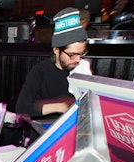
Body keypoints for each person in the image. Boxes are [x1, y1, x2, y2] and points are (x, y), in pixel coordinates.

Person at [15, 7, 91, 144]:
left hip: (70, 136)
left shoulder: (82, 70)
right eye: (72, 55)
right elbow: (21, 107)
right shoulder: (40, 71)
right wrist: (60, 106)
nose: (78, 60)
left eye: (81, 54)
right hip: (42, 138)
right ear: (56, 50)